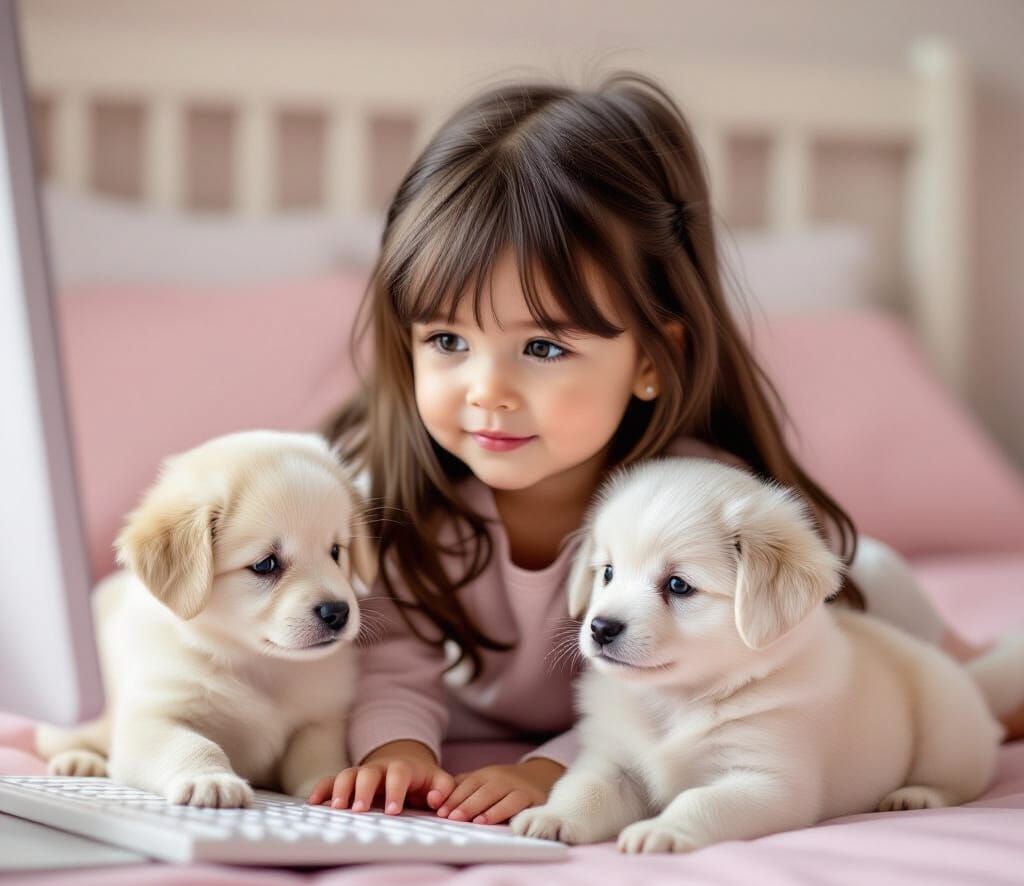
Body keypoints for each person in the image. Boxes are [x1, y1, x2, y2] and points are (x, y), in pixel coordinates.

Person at [308, 72, 1023, 825]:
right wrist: (398, 751)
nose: (487, 390)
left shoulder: (693, 501)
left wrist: (550, 767)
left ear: (651, 358)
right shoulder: (389, 498)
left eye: (544, 347)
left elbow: (692, 701)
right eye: (448, 340)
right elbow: (392, 664)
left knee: (953, 688)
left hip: (857, 618)